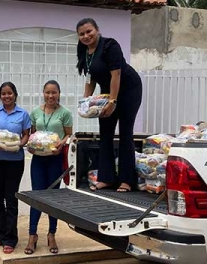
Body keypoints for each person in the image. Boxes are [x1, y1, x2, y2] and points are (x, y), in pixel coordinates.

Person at [76, 18, 143, 193]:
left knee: (125, 134)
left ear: (97, 30)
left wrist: (113, 102)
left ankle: (126, 181)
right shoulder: (84, 51)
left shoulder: (110, 46)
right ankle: (106, 178)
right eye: (82, 34)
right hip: (107, 91)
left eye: (89, 31)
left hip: (128, 88)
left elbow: (117, 75)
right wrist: (86, 102)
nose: (86, 36)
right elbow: (90, 78)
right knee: (105, 133)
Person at [25, 80, 73, 255]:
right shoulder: (35, 112)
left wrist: (61, 144)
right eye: (47, 92)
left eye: (54, 92)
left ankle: (52, 234)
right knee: (36, 196)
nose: (50, 96)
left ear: (59, 94)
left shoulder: (65, 113)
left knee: (53, 197)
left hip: (55, 159)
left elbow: (69, 134)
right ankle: (32, 235)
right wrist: (29, 145)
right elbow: (31, 134)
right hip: (38, 160)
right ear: (43, 93)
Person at [0, 82, 31, 255]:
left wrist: (19, 145)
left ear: (15, 95)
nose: (6, 96)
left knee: (11, 199)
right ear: (0, 96)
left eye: (9, 93)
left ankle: (11, 237)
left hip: (14, 162)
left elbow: (26, 135)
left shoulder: (23, 114)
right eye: (3, 93)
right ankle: (0, 234)